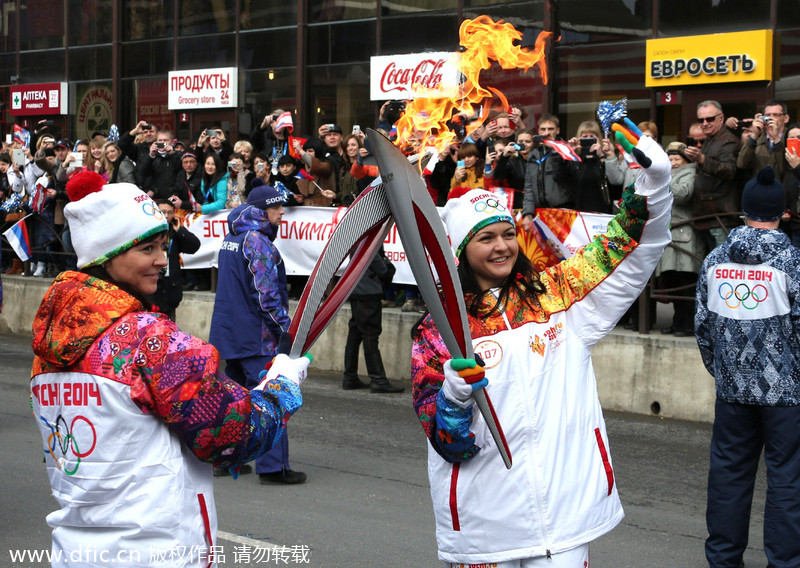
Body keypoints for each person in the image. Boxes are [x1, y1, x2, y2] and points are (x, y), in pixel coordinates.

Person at [411, 135, 672, 566]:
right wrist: (455, 397)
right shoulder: (440, 331)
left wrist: (653, 188)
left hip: (566, 517)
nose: (502, 247)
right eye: (486, 238)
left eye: (508, 233)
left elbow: (629, 248)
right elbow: (447, 441)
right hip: (485, 524)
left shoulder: (555, 296)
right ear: (460, 250)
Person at [30, 170, 309, 568]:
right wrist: (281, 387)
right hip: (157, 553)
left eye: (163, 245)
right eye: (147, 249)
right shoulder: (149, 342)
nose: (163, 260)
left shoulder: (47, 349)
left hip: (75, 554)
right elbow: (233, 435)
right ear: (107, 255)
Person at [695, 165, 800, 568]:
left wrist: (723, 371)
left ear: (743, 211)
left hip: (732, 391)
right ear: (783, 212)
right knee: (788, 478)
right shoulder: (791, 262)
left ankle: (723, 561)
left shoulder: (716, 259)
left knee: (728, 475)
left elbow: (703, 329)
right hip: (786, 395)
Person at [209, 179, 307, 485]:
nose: (281, 212)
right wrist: (284, 330)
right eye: (276, 207)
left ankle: (226, 459)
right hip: (257, 337)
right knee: (270, 398)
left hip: (230, 333)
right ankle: (273, 468)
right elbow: (265, 295)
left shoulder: (233, 235)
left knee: (233, 402)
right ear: (261, 211)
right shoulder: (256, 241)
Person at [342, 248, 404, 393]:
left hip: (358, 290)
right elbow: (385, 272)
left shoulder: (360, 238)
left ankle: (350, 376)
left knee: (355, 333)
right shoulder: (370, 242)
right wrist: (386, 262)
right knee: (370, 334)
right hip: (368, 293)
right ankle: (378, 379)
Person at [657, 141, 700, 336]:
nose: (673, 163)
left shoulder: (690, 173)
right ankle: (677, 322)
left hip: (685, 235)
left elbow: (683, 194)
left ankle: (687, 324)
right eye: (670, 159)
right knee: (673, 282)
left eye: (677, 159)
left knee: (686, 282)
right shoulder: (666, 175)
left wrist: (663, 182)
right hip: (669, 236)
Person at [686, 100, 741, 251]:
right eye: (700, 120)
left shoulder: (728, 141)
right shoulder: (710, 140)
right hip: (710, 216)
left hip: (721, 217)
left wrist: (702, 160)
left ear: (721, 118)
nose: (705, 123)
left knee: (721, 266)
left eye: (709, 119)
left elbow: (729, 170)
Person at [148, 199, 201, 321]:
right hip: (152, 289)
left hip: (170, 289)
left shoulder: (175, 232)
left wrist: (181, 231)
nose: (166, 216)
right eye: (162, 212)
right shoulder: (148, 231)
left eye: (170, 212)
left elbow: (194, 246)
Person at [521, 113, 572, 231]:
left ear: (557, 131)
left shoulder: (566, 151)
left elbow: (565, 177)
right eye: (543, 129)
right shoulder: (533, 154)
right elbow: (529, 187)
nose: (547, 132)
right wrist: (527, 213)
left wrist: (555, 150)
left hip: (562, 212)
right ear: (538, 131)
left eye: (551, 129)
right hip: (540, 213)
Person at [558, 120, 611, 213]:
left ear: (598, 138)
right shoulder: (574, 158)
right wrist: (568, 154)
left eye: (592, 137)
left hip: (602, 211)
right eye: (585, 137)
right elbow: (560, 178)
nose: (588, 139)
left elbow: (612, 181)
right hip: (578, 210)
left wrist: (601, 156)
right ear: (579, 139)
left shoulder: (604, 157)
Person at [735, 99, 790, 182]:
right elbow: (741, 164)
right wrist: (754, 135)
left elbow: (787, 171)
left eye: (776, 115)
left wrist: (776, 139)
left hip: (783, 192)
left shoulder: (791, 137)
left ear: (785, 118)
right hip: (759, 191)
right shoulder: (757, 139)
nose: (771, 118)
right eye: (767, 115)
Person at [139, 129, 181, 200]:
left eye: (165, 140)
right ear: (156, 142)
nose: (162, 143)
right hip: (155, 196)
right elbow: (143, 173)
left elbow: (180, 170)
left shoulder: (178, 155)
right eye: (160, 140)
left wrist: (172, 154)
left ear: (172, 143)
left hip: (173, 196)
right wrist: (151, 155)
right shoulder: (150, 156)